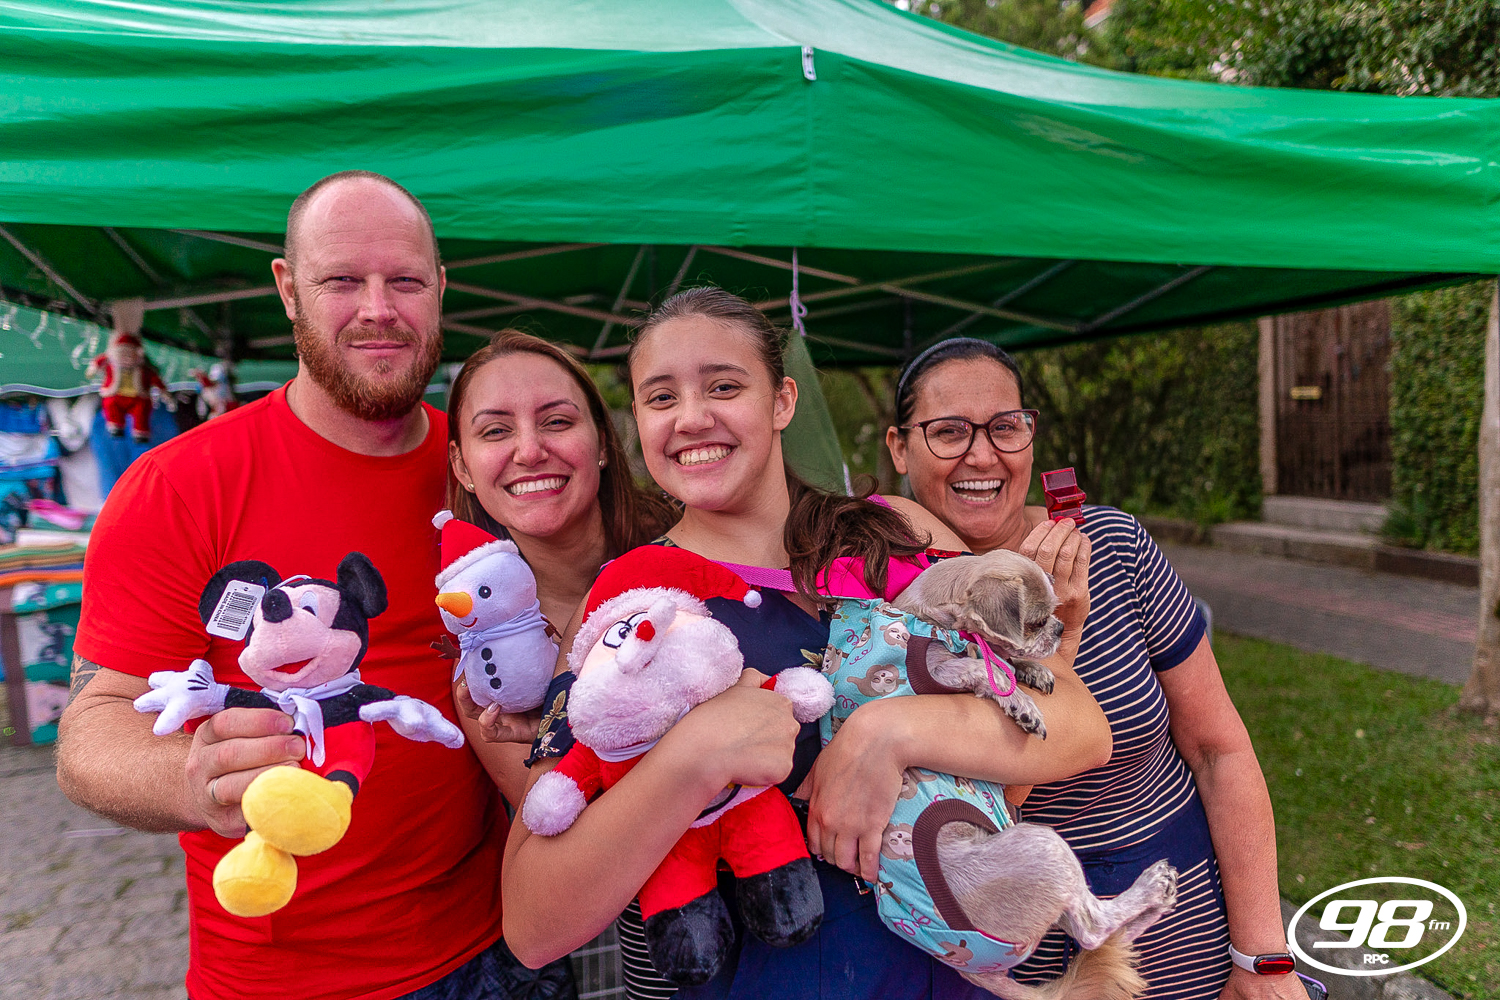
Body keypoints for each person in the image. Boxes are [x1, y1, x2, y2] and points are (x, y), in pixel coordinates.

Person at [498, 287, 1114, 1000]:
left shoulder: (893, 530)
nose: (692, 417)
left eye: (724, 386)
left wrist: (887, 735)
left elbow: (1079, 728)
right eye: (661, 397)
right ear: (638, 419)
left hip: (953, 966)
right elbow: (534, 921)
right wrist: (695, 758)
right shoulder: (631, 599)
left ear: (783, 401)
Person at [56, 171, 556, 1000]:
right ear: (289, 290)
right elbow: (92, 732)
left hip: (503, 941)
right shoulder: (180, 486)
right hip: (283, 978)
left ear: (440, 289)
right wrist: (190, 778)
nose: (377, 309)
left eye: (404, 281)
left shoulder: (492, 472)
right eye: (342, 281)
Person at [884, 337, 1304, 1000]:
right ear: (899, 448)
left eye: (1005, 426)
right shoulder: (892, 602)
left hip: (1190, 937)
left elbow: (1218, 749)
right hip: (1020, 965)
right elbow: (998, 796)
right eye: (949, 432)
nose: (982, 455)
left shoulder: (1110, 545)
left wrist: (1262, 961)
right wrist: (1060, 635)